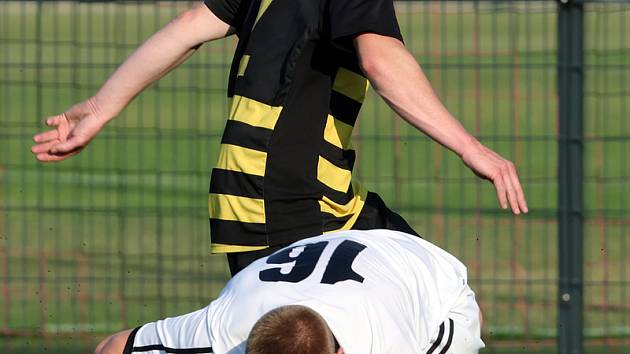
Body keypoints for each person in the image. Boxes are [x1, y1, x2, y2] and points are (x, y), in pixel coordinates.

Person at [31, 0, 528, 276]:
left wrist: (99, 107)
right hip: (294, 208)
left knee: (439, 291)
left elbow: (188, 27)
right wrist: (471, 146)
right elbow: (381, 61)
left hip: (274, 201)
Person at [93, 229, 485, 354]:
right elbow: (114, 347)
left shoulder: (387, 342)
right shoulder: (223, 329)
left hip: (428, 273)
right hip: (331, 257)